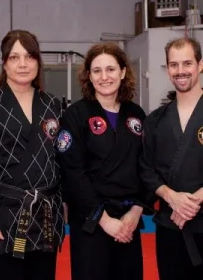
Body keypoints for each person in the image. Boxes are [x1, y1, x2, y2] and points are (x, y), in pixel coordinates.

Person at [0, 29, 64, 280]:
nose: (23, 64)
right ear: (4, 63)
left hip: (44, 218)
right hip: (1, 217)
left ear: (38, 61)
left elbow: (60, 159)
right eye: (15, 57)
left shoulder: (51, 104)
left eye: (29, 56)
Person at [57, 42, 149, 280]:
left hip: (128, 222)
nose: (104, 76)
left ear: (122, 72)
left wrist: (135, 212)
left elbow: (146, 166)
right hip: (91, 222)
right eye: (97, 70)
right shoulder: (76, 115)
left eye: (110, 69)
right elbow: (73, 172)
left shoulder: (136, 115)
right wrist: (105, 220)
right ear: (89, 76)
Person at [140, 37, 203, 279]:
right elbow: (146, 168)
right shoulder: (155, 120)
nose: (181, 71)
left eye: (187, 63)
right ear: (168, 70)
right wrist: (171, 197)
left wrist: (192, 201)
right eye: (174, 65)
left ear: (200, 65)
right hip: (170, 227)